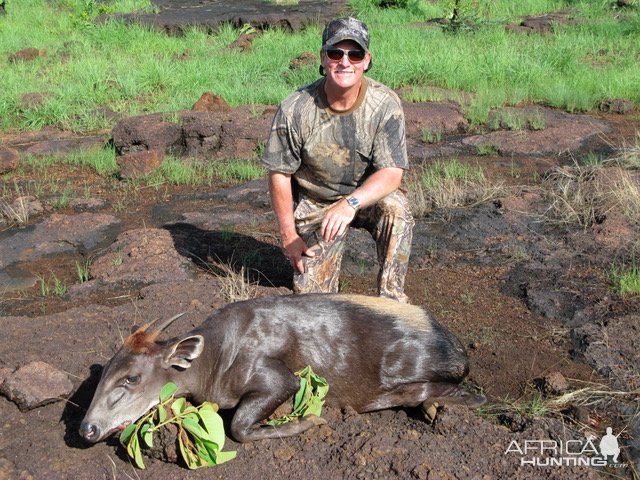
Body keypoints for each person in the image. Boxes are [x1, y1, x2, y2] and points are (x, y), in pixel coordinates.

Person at [262, 16, 414, 302]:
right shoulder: (296, 108)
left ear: (366, 60)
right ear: (323, 57)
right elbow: (279, 174)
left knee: (396, 209)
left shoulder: (384, 104)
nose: (345, 62)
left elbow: (392, 173)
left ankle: (392, 301)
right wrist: (288, 236)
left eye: (354, 53)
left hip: (365, 198)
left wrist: (350, 204)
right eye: (336, 53)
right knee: (314, 304)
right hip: (316, 201)